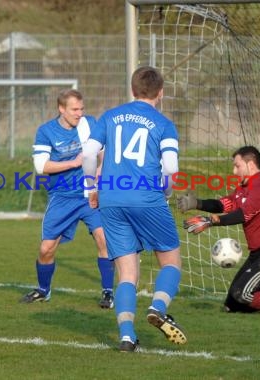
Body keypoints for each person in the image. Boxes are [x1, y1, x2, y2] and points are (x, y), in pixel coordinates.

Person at [82, 66, 186, 352]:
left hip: (111, 198)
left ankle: (127, 336)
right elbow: (171, 167)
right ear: (160, 93)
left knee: (127, 274)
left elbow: (89, 153)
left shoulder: (109, 116)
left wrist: (91, 186)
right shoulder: (164, 124)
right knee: (171, 262)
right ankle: (158, 307)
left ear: (132, 89)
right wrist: (165, 190)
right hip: (147, 197)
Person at [21, 89, 115, 309]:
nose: (79, 113)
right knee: (46, 249)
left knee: (103, 240)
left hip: (89, 195)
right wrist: (73, 163)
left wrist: (99, 173)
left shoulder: (89, 124)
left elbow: (103, 153)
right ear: (61, 109)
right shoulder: (46, 131)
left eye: (81, 108)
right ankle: (43, 290)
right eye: (74, 109)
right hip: (61, 198)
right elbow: (41, 166)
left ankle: (108, 292)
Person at [179, 146, 260, 315]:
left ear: (250, 165)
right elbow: (223, 204)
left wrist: (210, 221)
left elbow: (244, 214)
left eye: (237, 165)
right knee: (232, 303)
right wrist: (197, 203)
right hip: (258, 253)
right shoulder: (243, 189)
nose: (234, 171)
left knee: (242, 294)